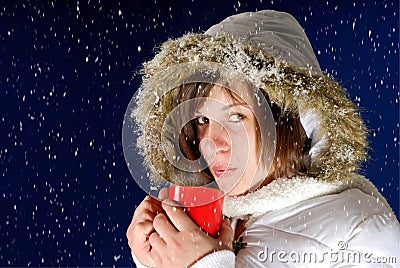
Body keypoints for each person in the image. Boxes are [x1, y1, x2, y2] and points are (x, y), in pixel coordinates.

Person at [126, 10, 400, 267]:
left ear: (288, 121)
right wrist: (158, 256)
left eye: (236, 116)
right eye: (202, 120)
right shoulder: (212, 223)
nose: (211, 142)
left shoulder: (358, 229)